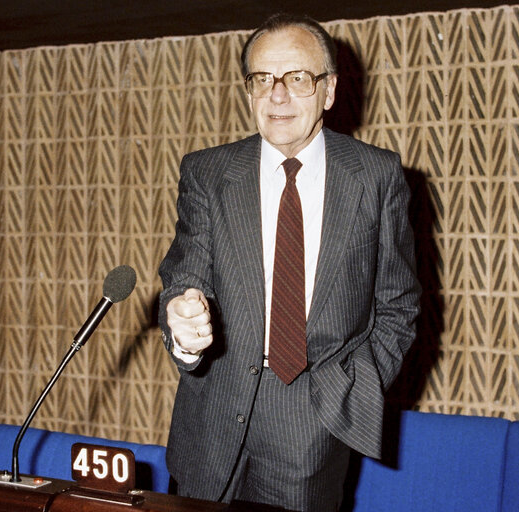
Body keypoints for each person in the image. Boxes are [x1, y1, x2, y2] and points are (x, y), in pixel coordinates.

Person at [158, 12, 421, 512]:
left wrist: (350, 389)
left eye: (297, 78)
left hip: (312, 424)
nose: (277, 95)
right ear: (248, 92)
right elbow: (182, 277)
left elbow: (398, 305)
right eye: (262, 79)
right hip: (210, 419)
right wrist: (181, 322)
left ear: (328, 91)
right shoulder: (207, 172)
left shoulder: (376, 175)